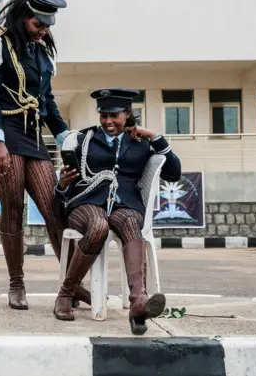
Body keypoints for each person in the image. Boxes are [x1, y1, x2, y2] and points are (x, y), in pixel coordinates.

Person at [0, 0, 91, 311]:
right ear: (22, 16)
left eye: (47, 25)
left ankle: (72, 284)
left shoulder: (41, 52)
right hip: (6, 132)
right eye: (38, 24)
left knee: (54, 209)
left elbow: (48, 103)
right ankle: (16, 284)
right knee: (13, 209)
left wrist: (66, 138)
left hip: (33, 136)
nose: (43, 31)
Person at [53, 88, 182, 335]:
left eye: (114, 115)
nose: (108, 121)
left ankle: (138, 303)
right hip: (86, 204)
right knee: (99, 225)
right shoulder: (84, 140)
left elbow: (173, 173)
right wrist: (62, 184)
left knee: (132, 222)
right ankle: (66, 293)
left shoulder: (142, 142)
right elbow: (61, 191)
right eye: (103, 115)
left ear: (128, 113)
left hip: (125, 206)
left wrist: (155, 137)